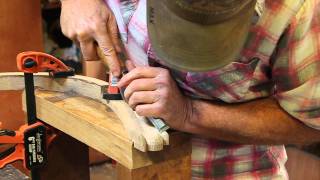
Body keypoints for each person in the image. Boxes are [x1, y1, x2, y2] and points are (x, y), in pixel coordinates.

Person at [60, 0, 320, 179]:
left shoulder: (299, 11)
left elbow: (308, 123)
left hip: (231, 171)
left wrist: (189, 113)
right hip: (129, 166)